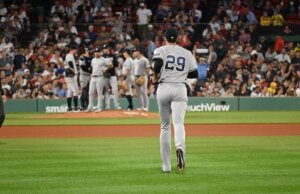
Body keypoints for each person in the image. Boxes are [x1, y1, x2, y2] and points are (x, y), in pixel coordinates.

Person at [152, 28, 198, 172]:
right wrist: (180, 74)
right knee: (178, 123)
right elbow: (194, 74)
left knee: (165, 127)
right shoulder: (187, 53)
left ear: (165, 38)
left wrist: (154, 77)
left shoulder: (160, 49)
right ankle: (180, 148)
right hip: (180, 88)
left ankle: (166, 167)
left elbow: (158, 65)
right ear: (177, 38)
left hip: (164, 87)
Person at [85, 48, 108, 112]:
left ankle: (99, 107)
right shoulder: (93, 60)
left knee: (99, 92)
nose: (96, 53)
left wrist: (105, 69)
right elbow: (93, 68)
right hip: (93, 77)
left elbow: (110, 65)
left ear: (100, 52)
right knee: (90, 92)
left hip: (100, 77)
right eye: (95, 52)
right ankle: (90, 107)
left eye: (98, 52)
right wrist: (91, 76)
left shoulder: (103, 59)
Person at [102, 44, 121, 110]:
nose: (104, 49)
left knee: (115, 90)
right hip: (105, 76)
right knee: (106, 91)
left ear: (108, 49)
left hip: (112, 75)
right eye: (104, 48)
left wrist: (112, 63)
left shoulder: (113, 55)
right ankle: (107, 106)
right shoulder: (102, 56)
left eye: (106, 48)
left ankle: (117, 106)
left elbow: (116, 64)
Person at [64, 45, 80, 112]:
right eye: (75, 49)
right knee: (75, 91)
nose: (76, 51)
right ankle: (76, 107)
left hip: (70, 76)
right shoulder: (69, 55)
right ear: (72, 49)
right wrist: (73, 70)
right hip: (70, 76)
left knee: (70, 91)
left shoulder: (70, 56)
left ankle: (69, 108)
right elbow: (70, 63)